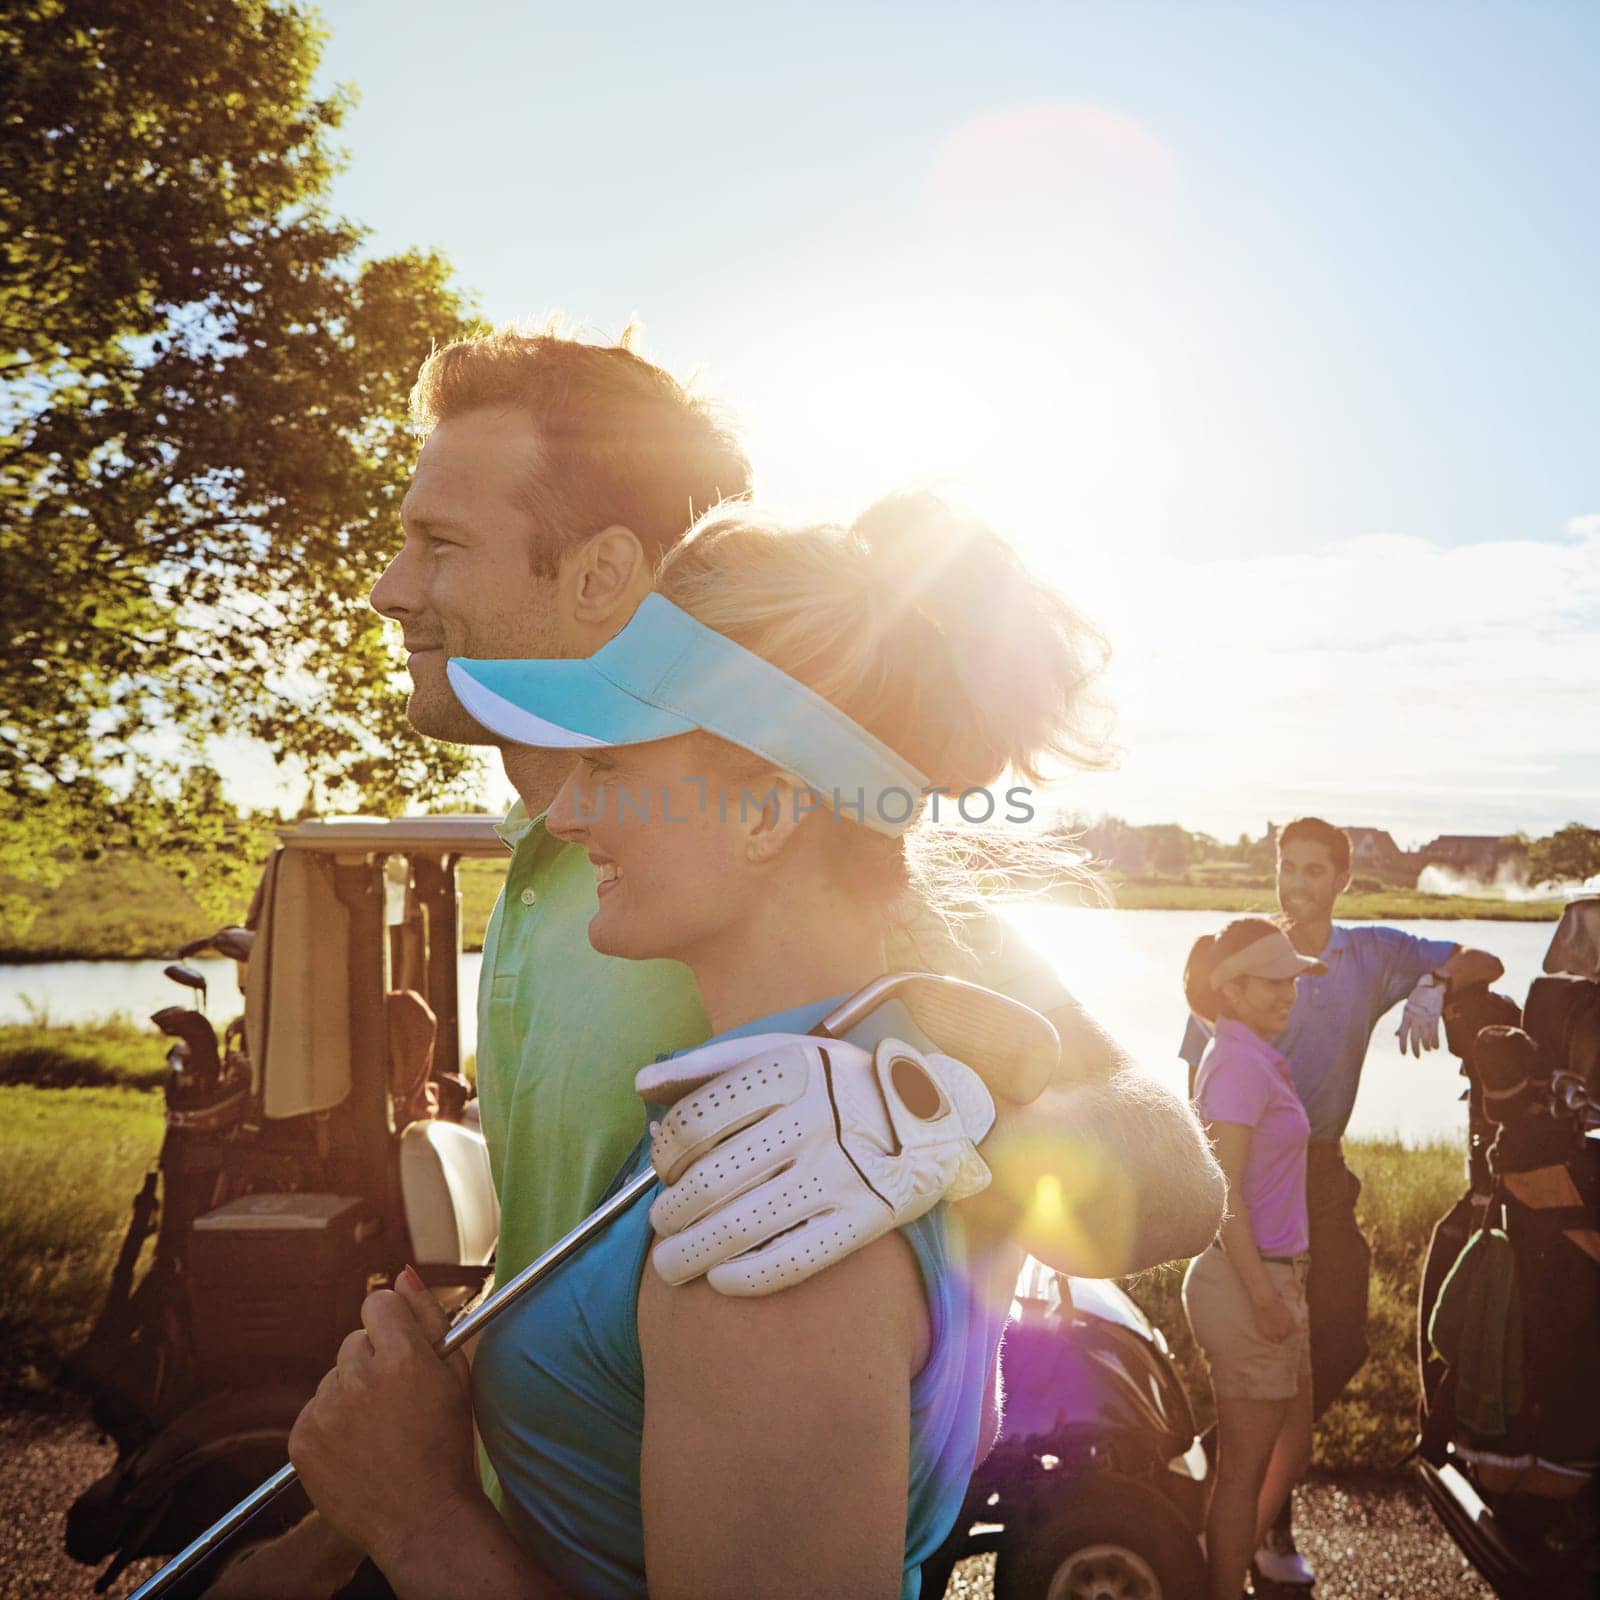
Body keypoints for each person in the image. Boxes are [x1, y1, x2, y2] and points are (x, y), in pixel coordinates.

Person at [211, 326, 1223, 1597]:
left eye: (439, 540)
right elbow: (590, 1363)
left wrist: (954, 1141)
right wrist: (347, 1528)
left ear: (603, 576)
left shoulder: (786, 907)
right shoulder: (567, 865)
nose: (389, 585)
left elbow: (1174, 1177)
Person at [1179, 816, 1504, 1586]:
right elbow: (1201, 1085)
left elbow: (1481, 958)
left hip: (1319, 1170)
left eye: (1315, 870)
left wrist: (1432, 985)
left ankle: (1224, 1479)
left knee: (1340, 1341)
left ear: (1342, 880)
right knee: (1275, 1359)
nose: (1297, 883)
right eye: (1287, 867)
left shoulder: (1370, 953)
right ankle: (1254, 1515)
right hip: (1256, 1174)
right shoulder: (1246, 960)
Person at [1180, 919, 1323, 1600]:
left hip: (1275, 1277)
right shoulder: (1235, 1062)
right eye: (1272, 980)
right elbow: (1222, 1190)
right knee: (1244, 1469)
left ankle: (1217, 1549)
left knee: (1294, 1448)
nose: (1288, 992)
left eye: (1292, 978)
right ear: (1230, 988)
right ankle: (1219, 1579)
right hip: (1248, 1284)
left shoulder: (1254, 1055)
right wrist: (1266, 1298)